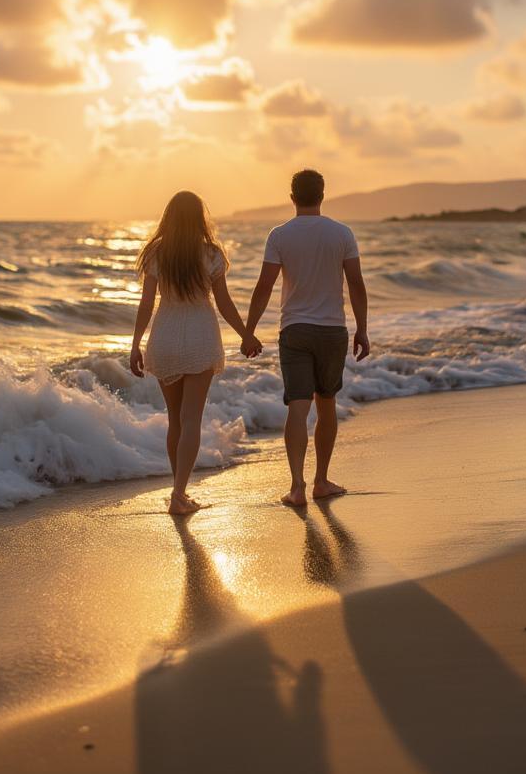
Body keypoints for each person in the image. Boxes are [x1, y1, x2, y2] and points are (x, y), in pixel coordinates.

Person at [243, 170, 370, 507]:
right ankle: (321, 481)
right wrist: (363, 328)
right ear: (322, 195)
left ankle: (297, 487)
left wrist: (248, 330)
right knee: (326, 403)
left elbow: (265, 286)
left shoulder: (279, 235)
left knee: (298, 408)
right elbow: (356, 283)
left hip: (295, 329)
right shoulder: (341, 233)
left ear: (292, 197)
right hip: (332, 330)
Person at [130, 191, 260, 515]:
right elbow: (224, 303)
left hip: (165, 335)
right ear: (200, 218)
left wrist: (134, 344)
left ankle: (179, 492)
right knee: (191, 420)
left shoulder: (156, 253)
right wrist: (246, 334)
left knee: (176, 420)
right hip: (201, 335)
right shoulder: (211, 254)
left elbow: (146, 303)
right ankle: (178, 494)